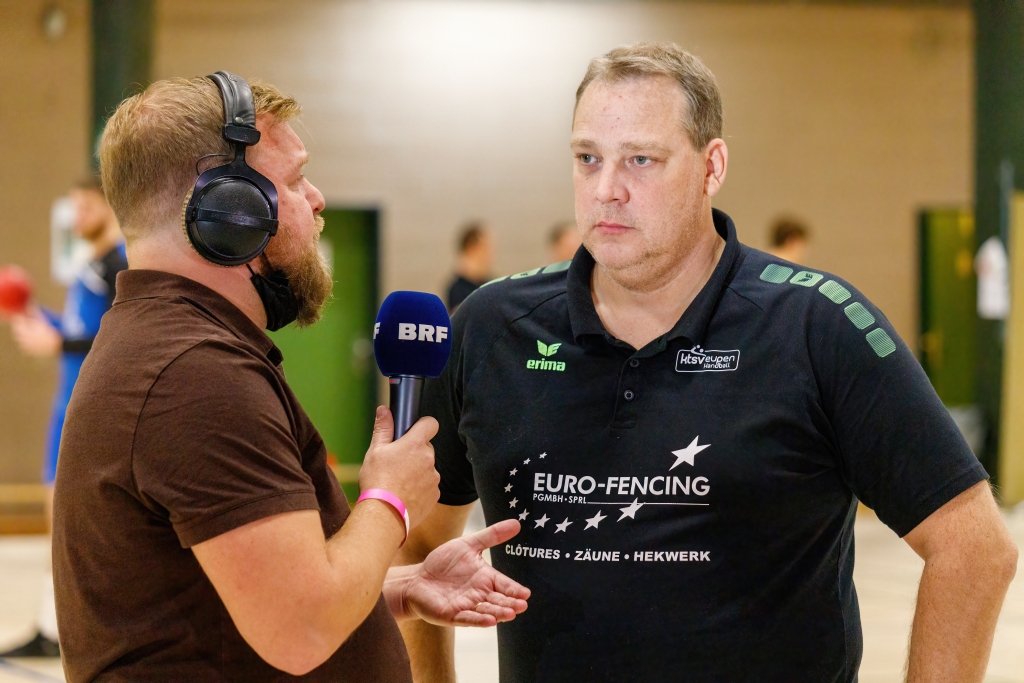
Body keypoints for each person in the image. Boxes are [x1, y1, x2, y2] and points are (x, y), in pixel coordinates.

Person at [401, 43, 1018, 682]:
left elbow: (974, 548)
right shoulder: (491, 328)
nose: (607, 189)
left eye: (641, 160)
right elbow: (419, 544)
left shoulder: (816, 326)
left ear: (711, 165)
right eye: (588, 159)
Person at [51, 75, 528, 682]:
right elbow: (301, 629)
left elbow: (236, 607)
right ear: (231, 212)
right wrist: (389, 501)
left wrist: (403, 585)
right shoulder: (194, 376)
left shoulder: (168, 347)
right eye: (298, 180)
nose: (319, 199)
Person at [0, 176, 126, 659]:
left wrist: (59, 343)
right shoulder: (90, 265)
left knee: (76, 530)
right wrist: (37, 317)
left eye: (84, 206)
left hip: (89, 410)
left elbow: (119, 335)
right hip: (65, 407)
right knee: (60, 528)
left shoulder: (119, 265)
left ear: (107, 206)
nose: (76, 217)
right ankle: (51, 624)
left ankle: (67, 631)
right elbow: (79, 330)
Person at [445, 222, 493, 312]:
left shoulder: (492, 284)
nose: (490, 253)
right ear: (471, 248)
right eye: (485, 248)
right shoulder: (457, 290)